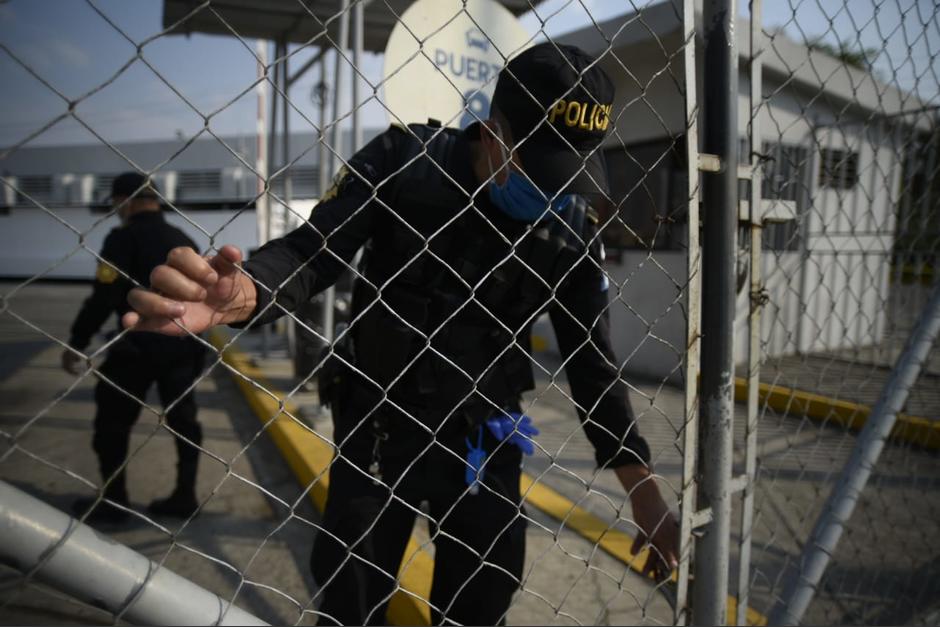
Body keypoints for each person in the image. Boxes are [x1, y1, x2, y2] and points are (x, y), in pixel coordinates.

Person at [124, 43, 679, 625]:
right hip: (380, 423)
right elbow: (313, 252)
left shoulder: (569, 222)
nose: (551, 194)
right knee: (352, 593)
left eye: (569, 174)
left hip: (482, 434)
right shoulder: (405, 163)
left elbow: (591, 359)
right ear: (492, 133)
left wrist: (638, 481)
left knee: (484, 596)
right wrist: (250, 291)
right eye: (537, 169)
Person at [63, 172, 206, 524]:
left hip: (137, 346)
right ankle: (185, 494)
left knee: (112, 423)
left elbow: (104, 296)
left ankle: (115, 500)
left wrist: (77, 343)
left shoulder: (121, 239)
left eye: (115, 203)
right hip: (183, 344)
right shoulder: (183, 239)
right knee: (184, 420)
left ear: (124, 200)